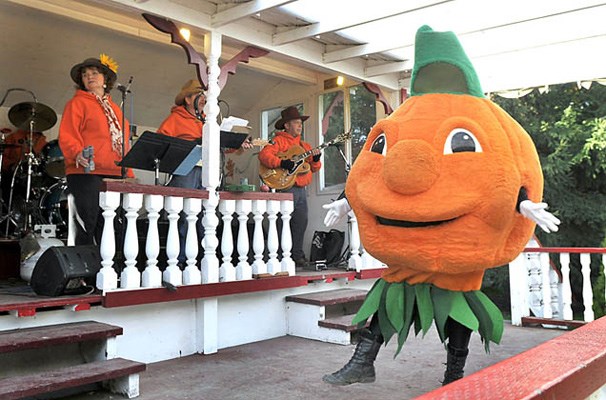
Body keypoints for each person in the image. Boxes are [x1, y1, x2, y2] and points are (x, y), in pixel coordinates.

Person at [321, 25, 561, 388]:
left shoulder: (484, 118)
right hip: (408, 255)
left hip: (458, 248)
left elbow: (498, 173)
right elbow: (373, 172)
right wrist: (346, 202)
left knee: (458, 306)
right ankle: (362, 361)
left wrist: (523, 204)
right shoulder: (406, 117)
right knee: (390, 298)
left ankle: (454, 374)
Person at [157, 79, 253, 262]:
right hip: (186, 171)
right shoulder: (175, 119)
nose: (203, 100)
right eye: (199, 96)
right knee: (184, 217)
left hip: (208, 173)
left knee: (206, 217)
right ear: (187, 99)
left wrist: (238, 143)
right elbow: (161, 145)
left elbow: (221, 147)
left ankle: (204, 260)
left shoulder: (208, 120)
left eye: (205, 97)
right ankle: (181, 261)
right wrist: (189, 144)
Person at [58, 54, 134, 245]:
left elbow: (124, 144)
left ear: (105, 79)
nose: (89, 77)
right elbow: (68, 134)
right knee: (86, 223)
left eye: (94, 73)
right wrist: (76, 152)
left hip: (114, 172)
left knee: (112, 224)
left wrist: (129, 172)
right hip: (85, 172)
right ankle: (85, 272)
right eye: (85, 75)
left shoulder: (116, 110)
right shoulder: (77, 103)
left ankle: (106, 271)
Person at [258, 106, 321, 268]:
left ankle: (296, 255)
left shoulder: (305, 146)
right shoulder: (278, 141)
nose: (300, 126)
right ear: (286, 125)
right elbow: (264, 155)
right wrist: (281, 162)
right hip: (285, 187)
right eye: (296, 123)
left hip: (301, 190)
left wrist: (315, 159)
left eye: (301, 123)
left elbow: (314, 168)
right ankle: (277, 256)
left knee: (301, 222)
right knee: (282, 222)